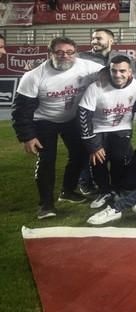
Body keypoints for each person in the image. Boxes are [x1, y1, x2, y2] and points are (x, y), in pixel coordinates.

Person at [12, 37, 103, 219]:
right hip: (44, 121)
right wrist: (27, 136)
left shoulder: (87, 67)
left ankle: (67, 191)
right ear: (50, 53)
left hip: (71, 119)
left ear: (76, 53)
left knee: (80, 155)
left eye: (70, 52)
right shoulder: (33, 76)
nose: (65, 56)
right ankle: (46, 205)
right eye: (59, 52)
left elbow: (114, 72)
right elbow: (21, 110)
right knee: (47, 161)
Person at [78, 55, 136, 209]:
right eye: (113, 71)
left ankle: (116, 190)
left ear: (129, 72)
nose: (117, 75)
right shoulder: (96, 87)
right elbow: (83, 114)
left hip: (122, 129)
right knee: (98, 161)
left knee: (118, 160)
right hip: (98, 129)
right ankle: (104, 191)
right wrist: (92, 144)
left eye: (122, 71)